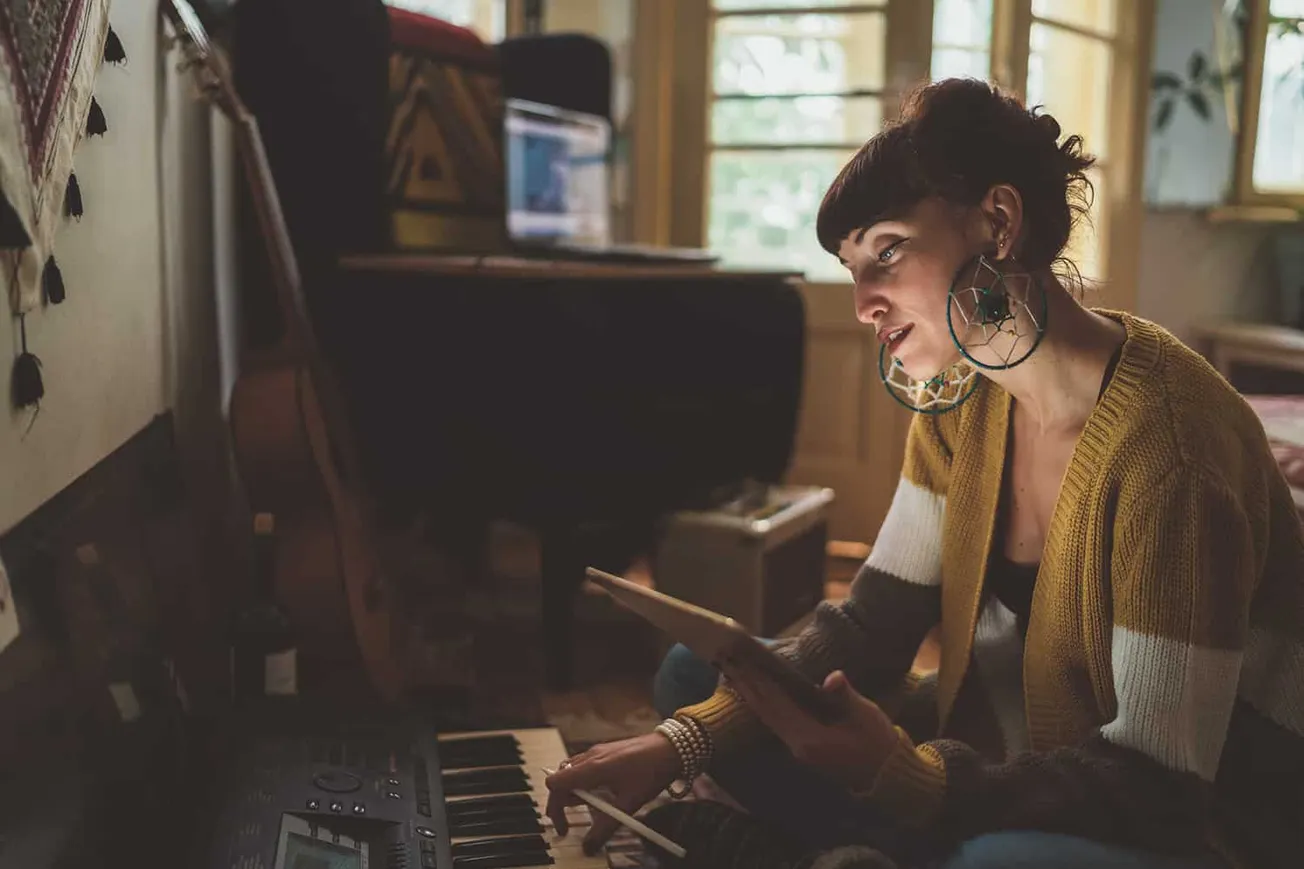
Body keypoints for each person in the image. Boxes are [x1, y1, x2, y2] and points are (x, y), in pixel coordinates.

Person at [544, 78, 1304, 869]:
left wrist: (907, 776)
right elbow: (872, 624)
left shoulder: (1171, 453)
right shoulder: (960, 403)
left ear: (1000, 223)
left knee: (998, 860)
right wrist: (681, 744)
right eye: (852, 268)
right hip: (1015, 764)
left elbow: (1158, 787)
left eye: (890, 251)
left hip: (1204, 824)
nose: (865, 303)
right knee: (694, 678)